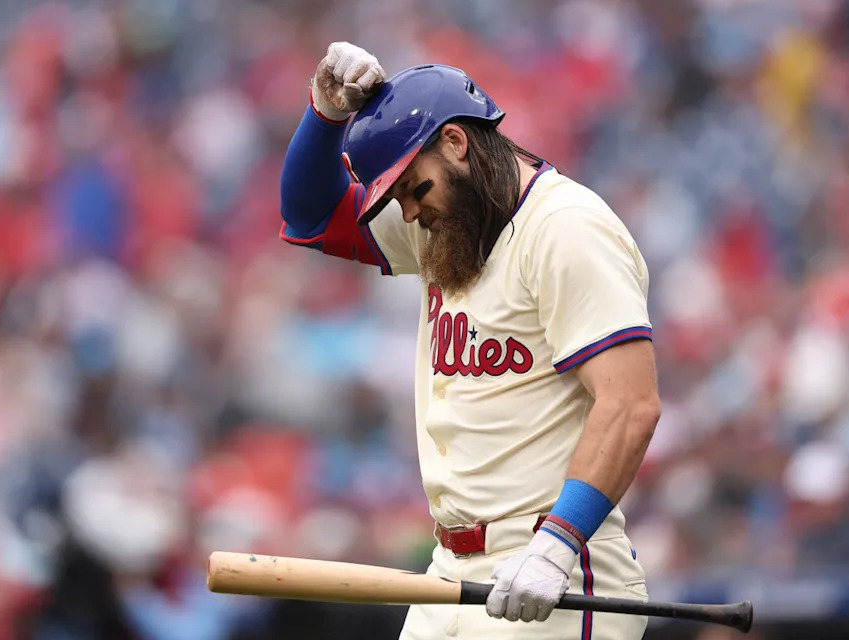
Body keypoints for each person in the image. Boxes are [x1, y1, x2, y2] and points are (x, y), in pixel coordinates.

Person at [279, 41, 660, 640]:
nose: (406, 213)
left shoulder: (566, 230)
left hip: (547, 568)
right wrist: (325, 112)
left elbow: (630, 405)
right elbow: (308, 215)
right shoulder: (451, 222)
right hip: (448, 570)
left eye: (412, 188)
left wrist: (556, 546)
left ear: (456, 143)